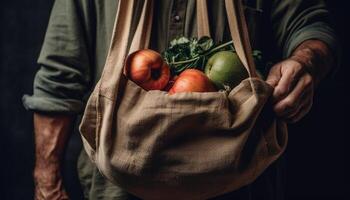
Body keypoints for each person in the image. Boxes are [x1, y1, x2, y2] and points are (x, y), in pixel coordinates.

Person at [23, 0, 338, 199]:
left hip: (243, 185)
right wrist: (47, 185)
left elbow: (310, 25)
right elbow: (59, 77)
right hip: (117, 191)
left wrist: (305, 61)